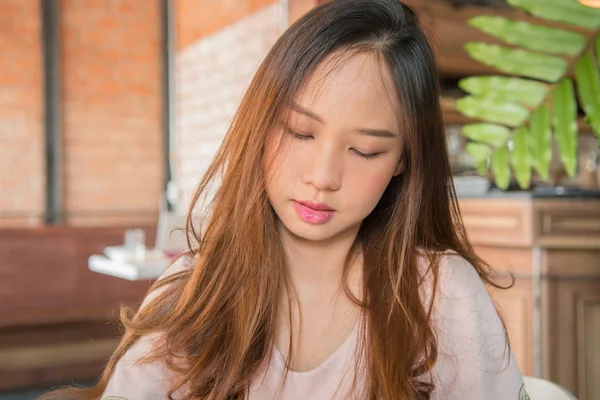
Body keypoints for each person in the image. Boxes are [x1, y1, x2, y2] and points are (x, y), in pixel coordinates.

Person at [40, 0, 529, 399]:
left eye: (365, 150)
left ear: (403, 159)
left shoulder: (441, 296)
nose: (322, 177)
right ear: (261, 123)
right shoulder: (195, 289)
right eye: (299, 132)